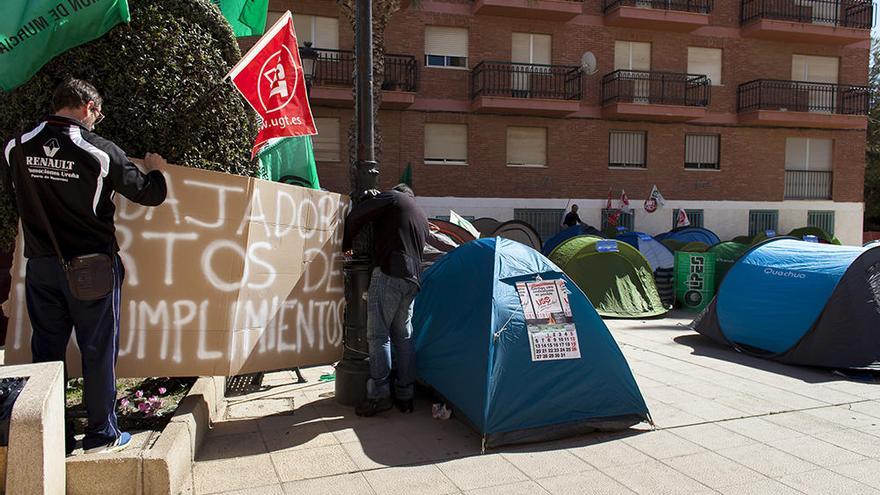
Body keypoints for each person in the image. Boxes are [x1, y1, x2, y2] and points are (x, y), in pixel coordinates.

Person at [0, 79, 168, 454]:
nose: (99, 119)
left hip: (41, 266)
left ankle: (50, 434)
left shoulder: (17, 145)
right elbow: (149, 194)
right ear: (88, 107)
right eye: (99, 113)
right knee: (97, 349)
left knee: (45, 352)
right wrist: (156, 170)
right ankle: (102, 433)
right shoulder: (98, 150)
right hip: (92, 268)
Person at [342, 183, 428, 417]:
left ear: (397, 191)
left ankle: (379, 395)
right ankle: (405, 395)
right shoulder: (420, 214)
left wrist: (346, 244)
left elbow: (357, 215)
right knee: (403, 336)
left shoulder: (393, 198)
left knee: (378, 335)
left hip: (390, 272)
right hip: (414, 280)